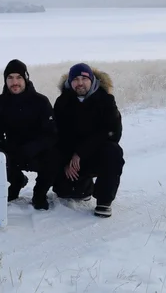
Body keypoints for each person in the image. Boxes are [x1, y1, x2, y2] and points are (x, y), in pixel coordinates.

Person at [53, 63, 125, 217]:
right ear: (70, 82)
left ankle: (104, 201)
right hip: (71, 159)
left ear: (92, 80)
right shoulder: (62, 102)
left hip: (94, 155)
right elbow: (58, 135)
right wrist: (67, 161)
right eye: (76, 79)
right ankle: (82, 186)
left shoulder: (106, 100)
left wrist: (80, 153)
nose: (80, 83)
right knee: (65, 193)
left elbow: (112, 133)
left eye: (84, 78)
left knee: (113, 152)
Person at [0, 59, 58, 210]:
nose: (15, 82)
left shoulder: (41, 101)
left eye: (19, 77)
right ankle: (17, 181)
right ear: (5, 80)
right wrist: (5, 147)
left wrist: (32, 148)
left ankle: (40, 193)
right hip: (13, 151)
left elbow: (51, 134)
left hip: (37, 151)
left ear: (26, 78)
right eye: (10, 78)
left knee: (54, 155)